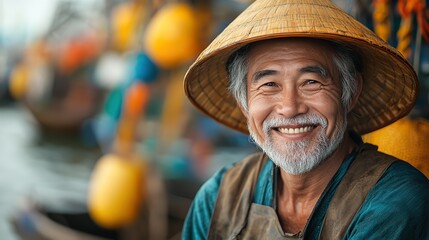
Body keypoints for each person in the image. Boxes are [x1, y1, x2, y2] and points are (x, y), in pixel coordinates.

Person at [181, 0, 429, 239]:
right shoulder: (219, 198)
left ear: (350, 92)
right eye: (269, 85)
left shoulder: (395, 201)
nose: (290, 108)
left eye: (311, 82)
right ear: (244, 103)